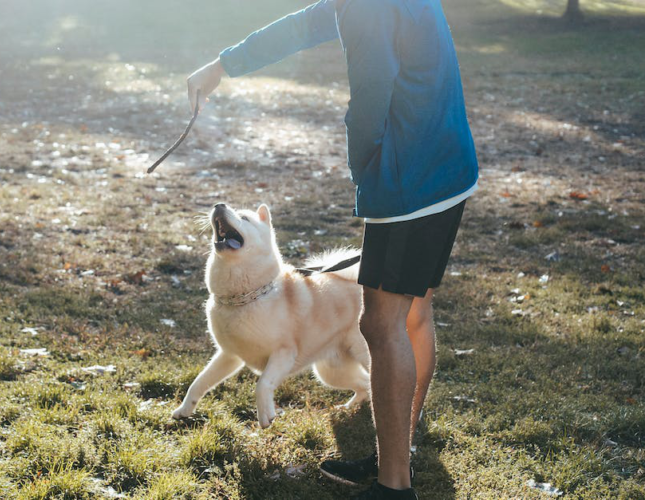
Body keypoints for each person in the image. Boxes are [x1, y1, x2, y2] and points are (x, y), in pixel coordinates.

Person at [185, 0, 478, 498]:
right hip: (451, 163)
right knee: (414, 313)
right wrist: (223, 64)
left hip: (408, 179)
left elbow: (370, 92)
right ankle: (398, 451)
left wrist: (366, 167)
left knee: (380, 325)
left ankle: (393, 485)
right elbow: (307, 23)